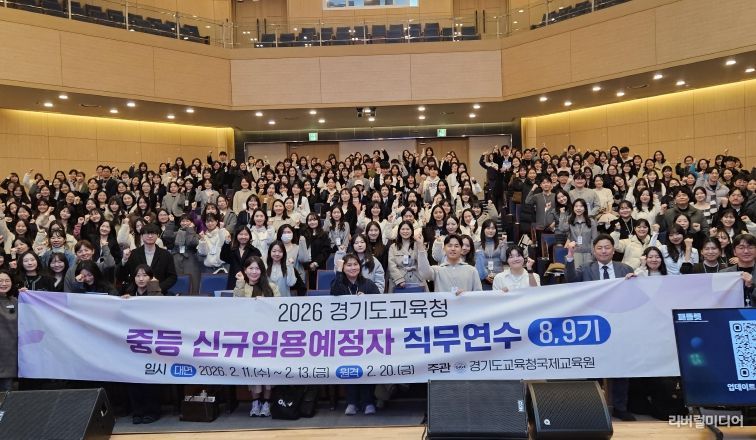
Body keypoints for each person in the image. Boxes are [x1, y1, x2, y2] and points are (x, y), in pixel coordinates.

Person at [564, 234, 635, 421]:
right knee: (592, 367)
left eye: (607, 247)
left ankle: (620, 407)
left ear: (613, 250)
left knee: (621, 366)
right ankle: (592, 407)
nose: (604, 251)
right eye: (600, 248)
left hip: (619, 324)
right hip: (594, 325)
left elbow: (635, 295)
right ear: (594, 251)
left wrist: (635, 281)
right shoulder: (586, 268)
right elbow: (570, 280)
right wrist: (570, 256)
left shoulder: (625, 269)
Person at [330, 254, 380, 415]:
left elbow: (380, 305)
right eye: (348, 265)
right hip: (346, 335)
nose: (353, 268)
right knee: (350, 368)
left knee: (366, 368)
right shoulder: (339, 282)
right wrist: (338, 272)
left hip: (367, 334)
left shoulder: (368, 284)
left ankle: (368, 402)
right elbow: (334, 292)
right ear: (343, 268)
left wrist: (368, 300)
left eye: (355, 264)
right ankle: (351, 402)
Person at [233, 256, 278, 417]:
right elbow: (235, 307)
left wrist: (266, 304)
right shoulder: (241, 286)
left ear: (262, 270)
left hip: (268, 336)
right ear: (245, 270)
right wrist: (239, 284)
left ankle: (266, 403)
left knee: (267, 371)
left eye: (257, 268)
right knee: (253, 371)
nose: (254, 272)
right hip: (249, 336)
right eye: (250, 268)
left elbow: (279, 309)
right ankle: (255, 402)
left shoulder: (271, 286)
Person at [118, 223, 177, 295]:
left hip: (159, 294)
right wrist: (124, 260)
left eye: (153, 233)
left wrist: (158, 288)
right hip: (136, 294)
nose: (150, 236)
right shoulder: (133, 254)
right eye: (147, 233)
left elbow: (172, 277)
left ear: (158, 235)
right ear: (142, 236)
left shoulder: (166, 255)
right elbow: (121, 276)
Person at [417, 233, 482, 294]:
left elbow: (478, 294)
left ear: (461, 248)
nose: (453, 249)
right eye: (449, 246)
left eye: (456, 246)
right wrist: (420, 247)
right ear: (444, 249)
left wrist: (466, 295)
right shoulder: (437, 270)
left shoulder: (472, 270)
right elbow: (424, 273)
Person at [722, 234, 755, 306]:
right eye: (741, 248)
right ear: (734, 251)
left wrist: (751, 287)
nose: (746, 251)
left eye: (750, 247)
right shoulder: (723, 274)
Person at [0, 269, 18, 391]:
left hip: (9, 355)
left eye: (7, 280)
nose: (4, 283)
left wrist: (27, 295)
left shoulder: (15, 301)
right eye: (0, 281)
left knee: (7, 393)